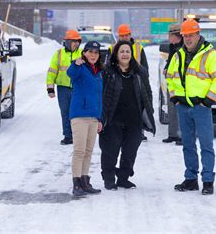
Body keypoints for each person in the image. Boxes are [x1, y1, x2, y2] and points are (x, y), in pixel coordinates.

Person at [166, 18, 216, 195]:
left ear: (198, 35)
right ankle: (191, 178)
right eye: (185, 36)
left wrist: (208, 101)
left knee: (206, 145)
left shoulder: (211, 55)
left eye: (191, 35)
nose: (188, 39)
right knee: (187, 144)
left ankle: (208, 181)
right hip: (183, 107)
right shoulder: (178, 55)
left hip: (201, 107)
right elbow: (170, 78)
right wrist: (175, 98)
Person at [100, 40, 156, 190]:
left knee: (130, 151)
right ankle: (109, 178)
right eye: (122, 51)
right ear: (116, 54)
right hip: (113, 118)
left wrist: (149, 110)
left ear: (131, 54)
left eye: (128, 51)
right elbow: (101, 92)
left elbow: (148, 92)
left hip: (134, 119)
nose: (125, 54)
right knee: (110, 150)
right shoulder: (107, 72)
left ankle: (123, 178)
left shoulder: (140, 71)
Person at [67, 41, 103, 196]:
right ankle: (76, 183)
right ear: (84, 53)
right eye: (90, 52)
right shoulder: (80, 68)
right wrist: (75, 63)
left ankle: (84, 181)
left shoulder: (99, 72)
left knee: (88, 151)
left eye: (96, 52)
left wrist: (100, 118)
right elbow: (71, 74)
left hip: (94, 117)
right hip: (79, 115)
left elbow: (99, 97)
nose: (93, 55)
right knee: (79, 150)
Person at [107, 23, 150, 141]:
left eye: (126, 35)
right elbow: (108, 67)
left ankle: (139, 131)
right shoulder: (112, 48)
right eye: (122, 35)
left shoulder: (138, 48)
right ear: (118, 36)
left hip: (136, 82)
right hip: (119, 82)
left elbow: (145, 67)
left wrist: (144, 81)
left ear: (130, 35)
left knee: (138, 107)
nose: (125, 37)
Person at [46, 30, 83, 145]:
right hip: (63, 89)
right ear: (67, 42)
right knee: (65, 113)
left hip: (78, 88)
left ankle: (77, 136)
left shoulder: (82, 54)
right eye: (73, 41)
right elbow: (52, 71)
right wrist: (50, 88)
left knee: (77, 113)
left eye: (78, 41)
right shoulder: (59, 54)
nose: (76, 44)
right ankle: (68, 136)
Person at [162, 23, 184, 146]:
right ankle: (173, 135)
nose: (168, 38)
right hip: (172, 84)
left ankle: (181, 136)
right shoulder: (173, 47)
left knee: (180, 110)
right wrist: (166, 68)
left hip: (181, 85)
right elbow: (170, 61)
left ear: (176, 36)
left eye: (170, 35)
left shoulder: (184, 48)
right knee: (172, 109)